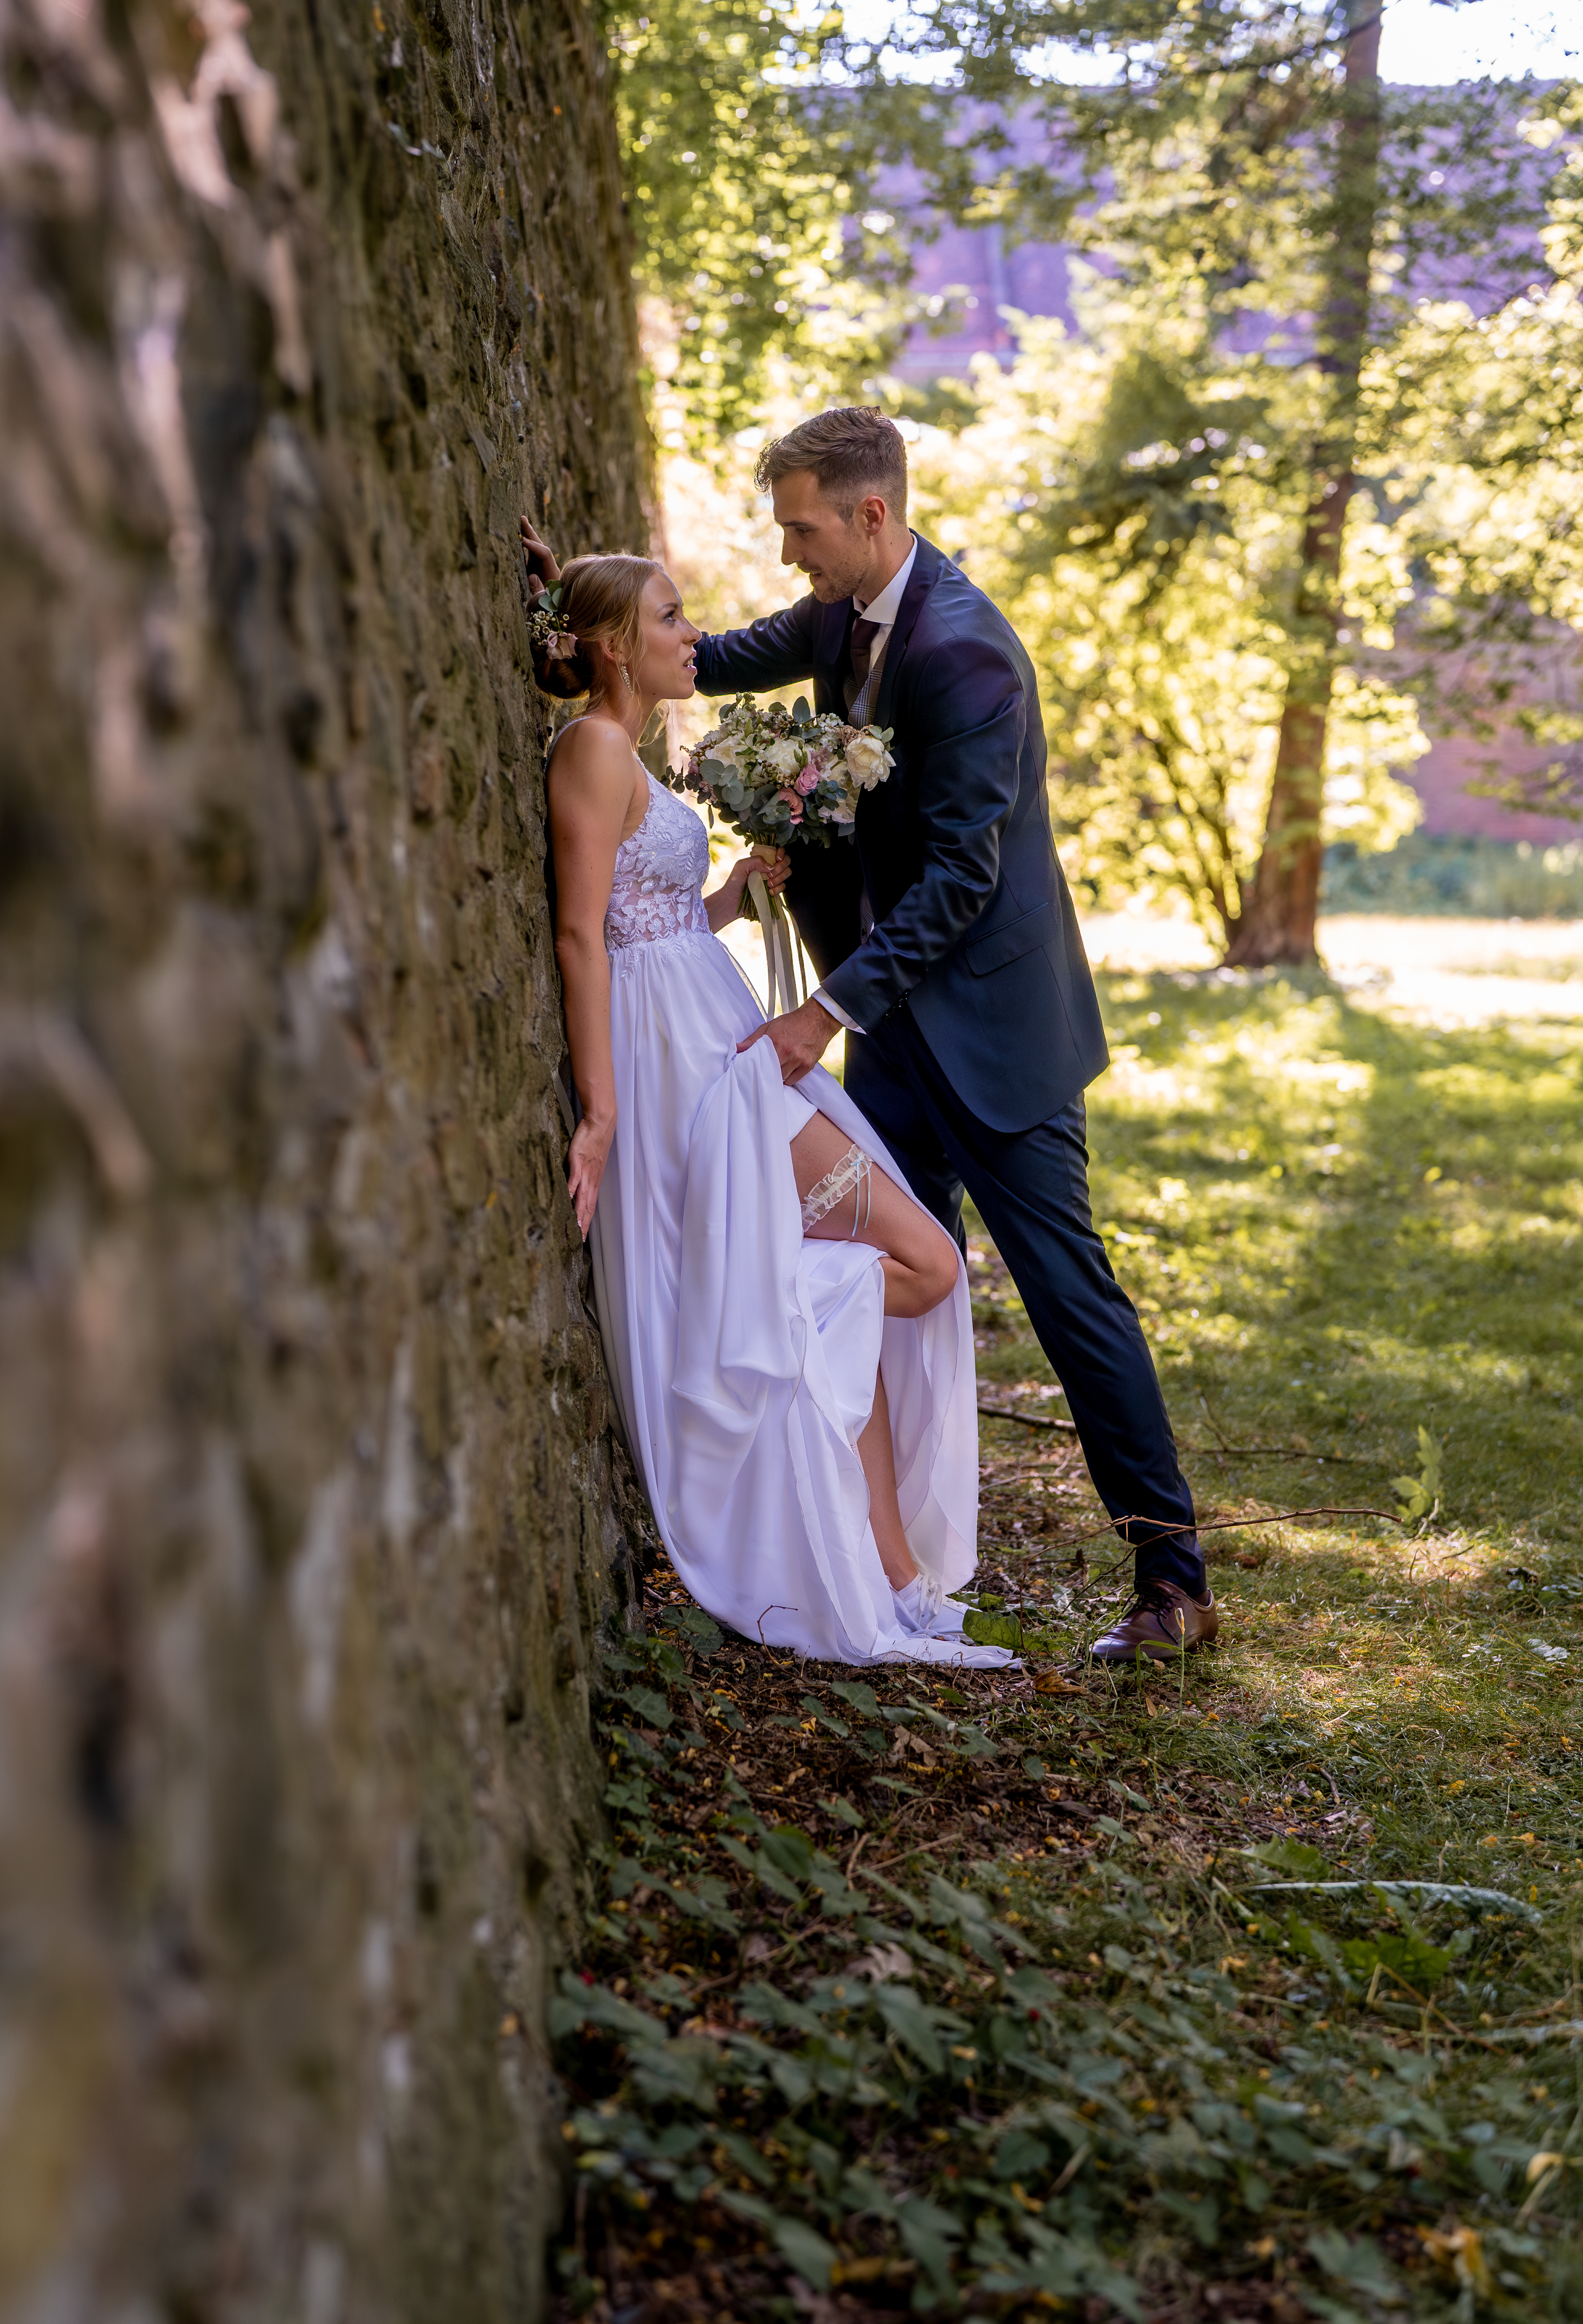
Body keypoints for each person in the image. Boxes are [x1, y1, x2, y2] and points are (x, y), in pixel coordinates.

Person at [685, 408, 1217, 1668]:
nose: (788, 557)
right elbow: (706, 655)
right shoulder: (837, 614)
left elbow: (962, 884)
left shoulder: (968, 653)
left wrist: (825, 1010)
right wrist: (573, 623)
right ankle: (886, 1566)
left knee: (1069, 1296)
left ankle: (1175, 1580)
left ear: (872, 516)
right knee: (888, 1283)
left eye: (803, 529)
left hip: (996, 1036)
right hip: (898, 1035)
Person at [519, 529, 1017, 1668]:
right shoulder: (592, 751)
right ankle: (878, 1569)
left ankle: (894, 1574)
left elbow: (652, 928)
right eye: (669, 619)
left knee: (856, 1289)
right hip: (687, 1073)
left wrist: (731, 902)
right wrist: (598, 1111)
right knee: (925, 1267)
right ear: (608, 647)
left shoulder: (626, 750)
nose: (694, 635)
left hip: (716, 1034)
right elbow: (580, 936)